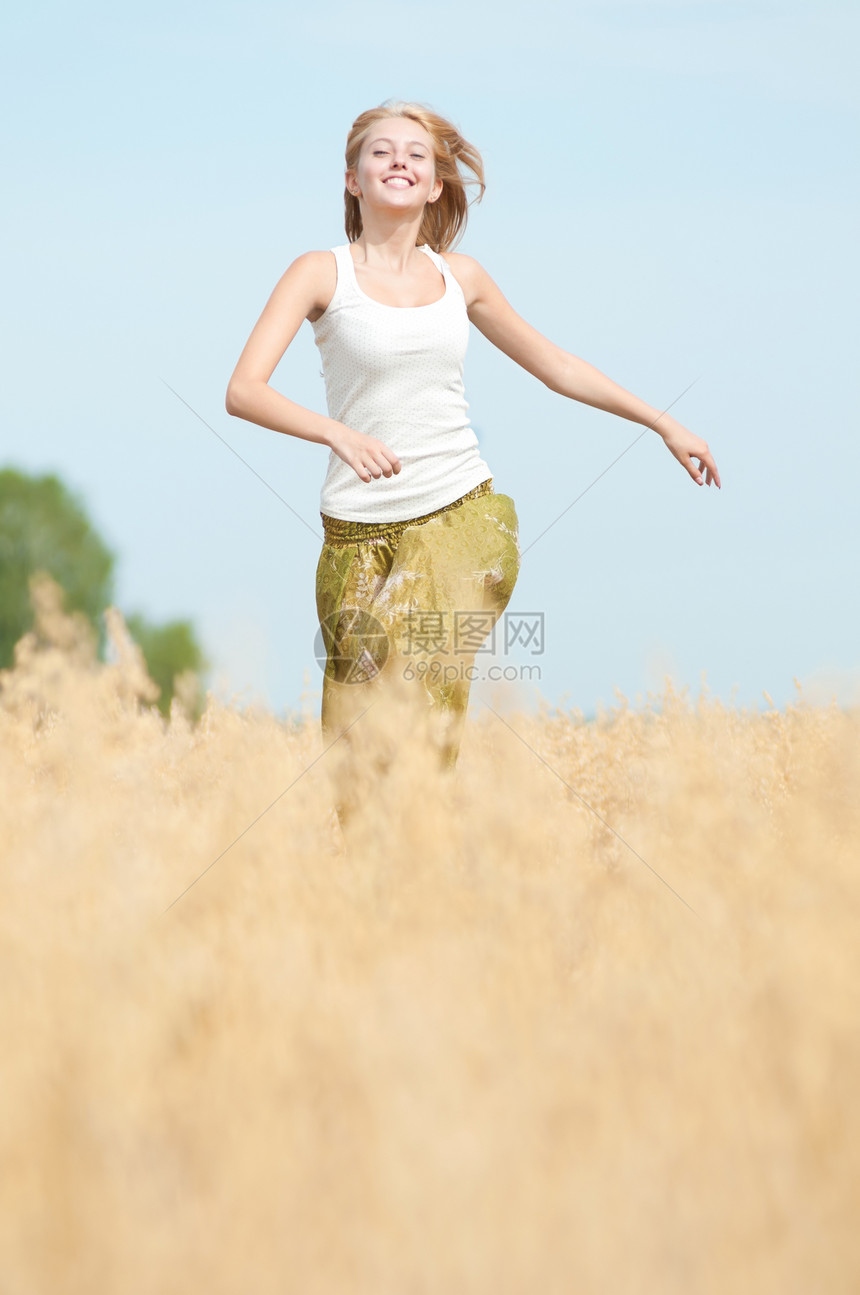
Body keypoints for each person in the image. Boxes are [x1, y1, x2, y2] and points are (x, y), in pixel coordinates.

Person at [225, 100, 720, 831]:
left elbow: (555, 365)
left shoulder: (462, 277)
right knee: (356, 720)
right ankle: (375, 880)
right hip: (354, 531)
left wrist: (661, 421)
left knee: (419, 670)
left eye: (417, 155)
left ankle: (421, 828)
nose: (400, 161)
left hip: (461, 513)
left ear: (433, 186)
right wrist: (336, 433)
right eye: (382, 152)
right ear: (353, 180)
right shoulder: (319, 273)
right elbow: (244, 390)